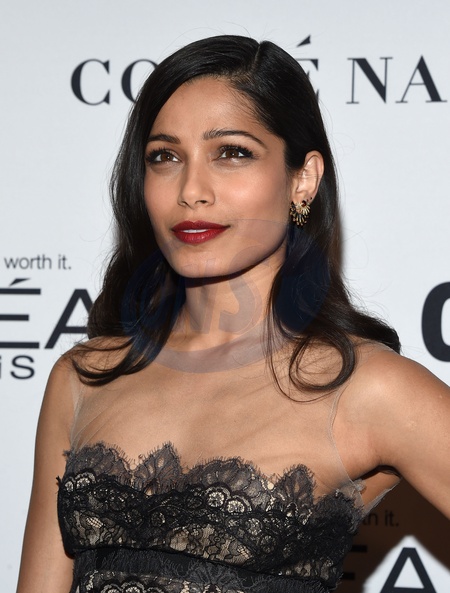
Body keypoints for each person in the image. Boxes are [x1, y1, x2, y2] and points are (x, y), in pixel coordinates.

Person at [16, 35, 450, 593]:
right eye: (165, 157)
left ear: (303, 179)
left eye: (232, 153)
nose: (191, 190)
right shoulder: (85, 377)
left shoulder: (366, 387)